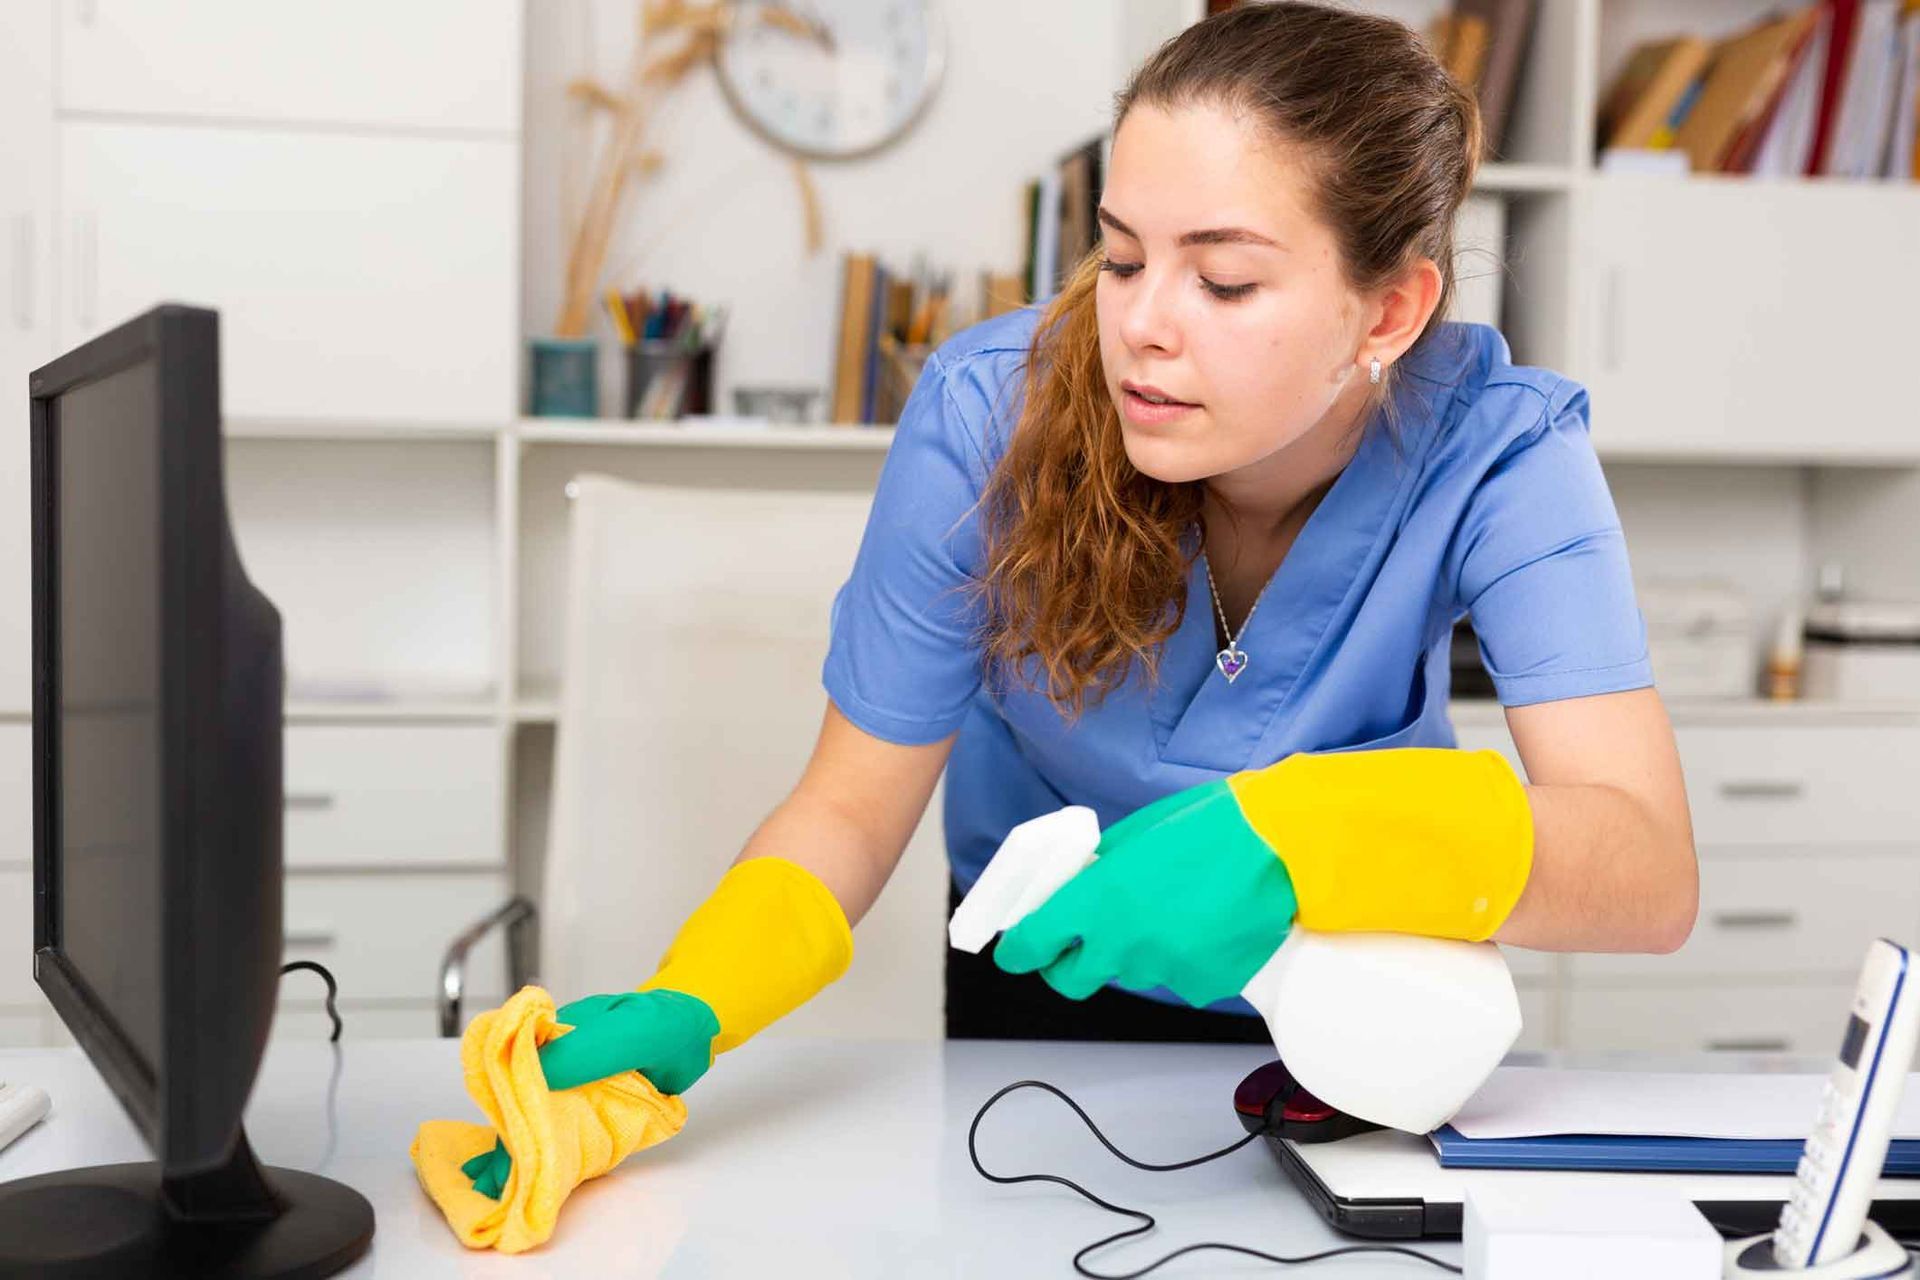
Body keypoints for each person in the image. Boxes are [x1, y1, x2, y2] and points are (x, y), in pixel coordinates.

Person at [464, 0, 1698, 1198]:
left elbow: (1645, 867)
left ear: (1389, 309)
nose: (1140, 328)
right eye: (1120, 256)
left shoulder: (1503, 449)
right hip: (1044, 999)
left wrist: (1298, 835)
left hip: (1357, 1009)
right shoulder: (984, 416)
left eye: (1222, 282)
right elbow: (849, 803)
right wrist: (702, 993)